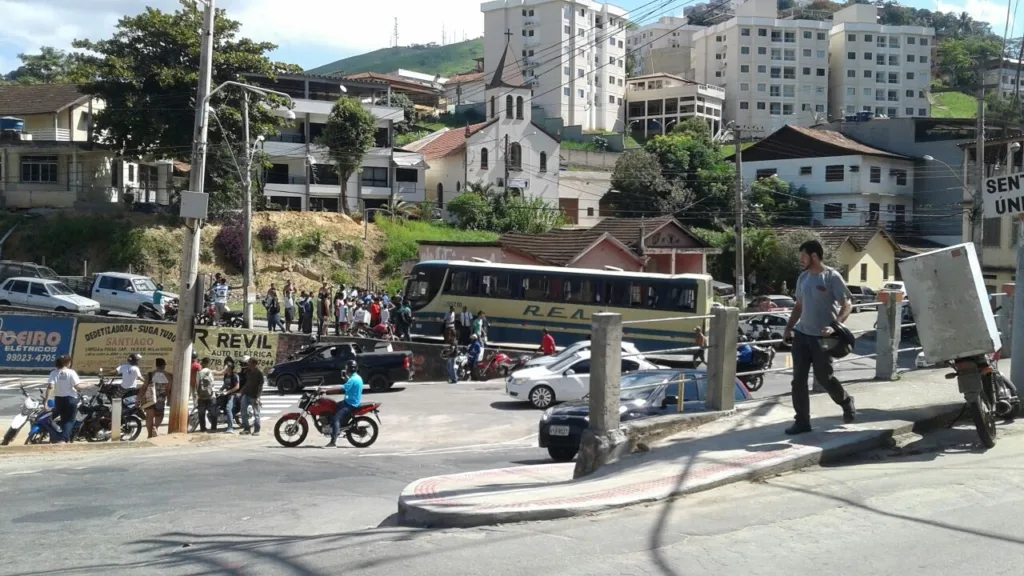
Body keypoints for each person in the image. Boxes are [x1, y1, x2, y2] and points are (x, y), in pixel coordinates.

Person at [782, 239, 856, 435]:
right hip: (802, 335)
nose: (801, 260)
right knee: (798, 380)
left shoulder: (832, 277)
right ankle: (802, 422)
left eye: (803, 256)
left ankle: (846, 401)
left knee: (825, 378)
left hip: (824, 339)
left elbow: (847, 305)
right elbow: (799, 306)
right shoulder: (803, 278)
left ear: (813, 256)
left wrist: (835, 326)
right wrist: (789, 327)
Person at [45, 355, 90, 444]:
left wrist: (46, 401)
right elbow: (77, 387)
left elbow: (50, 387)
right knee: (69, 420)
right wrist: (88, 385)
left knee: (63, 419)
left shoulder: (54, 373)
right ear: (67, 363)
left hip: (58, 399)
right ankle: (64, 439)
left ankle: (67, 439)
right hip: (70, 399)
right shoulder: (71, 372)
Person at [326, 360, 363, 447]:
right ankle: (336, 427)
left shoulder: (353, 379)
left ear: (347, 369)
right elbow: (349, 384)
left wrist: (326, 391)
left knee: (336, 419)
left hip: (350, 404)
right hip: (350, 401)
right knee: (332, 406)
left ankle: (333, 442)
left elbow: (343, 389)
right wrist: (346, 378)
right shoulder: (357, 377)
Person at [138, 358, 173, 438]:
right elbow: (169, 389)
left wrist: (139, 397)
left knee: (149, 416)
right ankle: (155, 427)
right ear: (164, 365)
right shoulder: (169, 375)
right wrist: (169, 399)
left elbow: (144, 387)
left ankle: (149, 435)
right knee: (159, 415)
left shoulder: (150, 374)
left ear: (156, 365)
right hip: (161, 398)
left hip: (150, 398)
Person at [239, 357, 264, 436]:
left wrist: (258, 397)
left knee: (256, 413)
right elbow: (247, 383)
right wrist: (242, 391)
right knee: (243, 412)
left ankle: (257, 430)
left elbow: (260, 386)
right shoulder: (248, 372)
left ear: (254, 364)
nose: (248, 364)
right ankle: (247, 429)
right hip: (246, 394)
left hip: (254, 396)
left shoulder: (259, 373)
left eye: (249, 363)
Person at [195, 357, 218, 433]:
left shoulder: (199, 372)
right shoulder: (210, 372)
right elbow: (212, 383)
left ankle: (203, 429)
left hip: (201, 396)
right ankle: (213, 428)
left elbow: (197, 384)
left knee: (201, 414)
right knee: (213, 413)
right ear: (208, 363)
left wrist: (198, 394)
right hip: (211, 395)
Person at [219, 359, 241, 434]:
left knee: (228, 408)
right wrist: (220, 390)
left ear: (230, 368)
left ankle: (230, 427)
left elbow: (237, 387)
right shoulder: (226, 375)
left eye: (226, 367)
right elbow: (225, 384)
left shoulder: (235, 375)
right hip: (226, 394)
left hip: (234, 395)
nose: (224, 368)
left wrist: (227, 392)